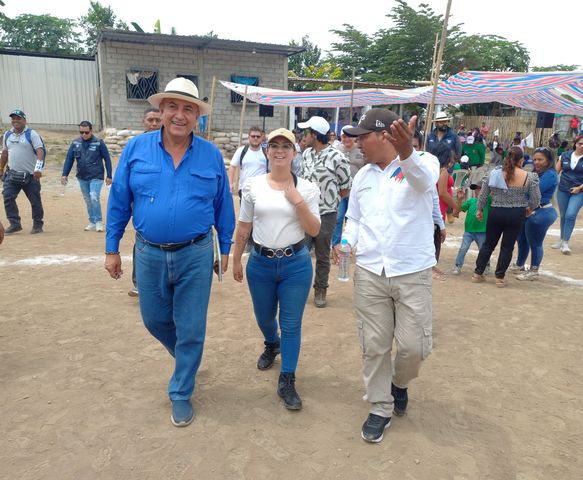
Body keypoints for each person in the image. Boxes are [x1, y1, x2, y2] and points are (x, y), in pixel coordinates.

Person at [104, 77, 235, 427]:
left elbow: (223, 205)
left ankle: (180, 391)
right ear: (161, 110)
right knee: (154, 319)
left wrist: (225, 247)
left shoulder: (210, 155)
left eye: (188, 109)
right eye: (173, 107)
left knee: (191, 327)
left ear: (197, 117)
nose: (180, 115)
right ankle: (187, 358)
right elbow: (119, 200)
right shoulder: (136, 149)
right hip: (148, 253)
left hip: (196, 253)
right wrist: (111, 248)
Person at [339, 109, 439, 443]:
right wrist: (346, 241)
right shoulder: (363, 176)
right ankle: (380, 406)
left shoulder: (423, 162)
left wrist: (407, 151)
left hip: (412, 271)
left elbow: (424, 183)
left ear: (385, 136)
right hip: (370, 272)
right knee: (374, 345)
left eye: (363, 137)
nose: (357, 144)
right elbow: (354, 218)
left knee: (414, 347)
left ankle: (399, 383)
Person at [232, 128, 320, 411]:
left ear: (294, 153)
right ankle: (272, 343)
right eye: (274, 146)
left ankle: (287, 378)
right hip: (260, 263)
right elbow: (244, 225)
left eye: (286, 146)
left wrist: (298, 202)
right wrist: (236, 258)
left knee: (291, 323)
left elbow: (314, 229)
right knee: (264, 317)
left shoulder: (307, 188)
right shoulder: (253, 186)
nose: (280, 151)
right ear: (267, 151)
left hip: (296, 265)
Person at [298, 116, 351, 308]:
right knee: (300, 254)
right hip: (305, 213)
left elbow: (345, 187)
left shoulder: (338, 157)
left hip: (327, 214)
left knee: (322, 255)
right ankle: (299, 289)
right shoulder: (306, 154)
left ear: (315, 134)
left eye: (306, 132)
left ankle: (320, 290)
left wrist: (331, 201)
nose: (303, 136)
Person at [472, 147, 541, 287]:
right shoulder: (529, 176)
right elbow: (536, 199)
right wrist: (529, 209)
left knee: (488, 244)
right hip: (516, 213)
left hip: (496, 212)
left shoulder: (494, 173)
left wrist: (479, 209)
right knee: (507, 246)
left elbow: (483, 194)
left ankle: (478, 274)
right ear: (521, 160)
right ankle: (499, 277)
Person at [128, 108, 163, 297]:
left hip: (165, 201)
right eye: (150, 120)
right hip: (143, 203)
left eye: (158, 120)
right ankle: (139, 283)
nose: (154, 123)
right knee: (143, 240)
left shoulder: (173, 145)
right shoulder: (136, 146)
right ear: (144, 122)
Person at [513, 147, 558, 280]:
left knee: (535, 242)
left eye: (540, 159)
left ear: (548, 160)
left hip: (541, 211)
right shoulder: (536, 173)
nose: (536, 162)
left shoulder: (550, 174)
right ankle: (520, 264)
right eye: (535, 159)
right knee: (522, 239)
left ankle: (533, 271)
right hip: (528, 210)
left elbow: (534, 191)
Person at [61, 121, 113, 232]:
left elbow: (107, 159)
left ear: (91, 131)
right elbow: (69, 159)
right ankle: (92, 221)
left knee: (94, 197)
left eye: (86, 132)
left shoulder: (98, 143)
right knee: (88, 200)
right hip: (82, 176)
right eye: (81, 132)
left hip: (96, 176)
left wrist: (109, 175)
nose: (84, 134)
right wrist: (65, 174)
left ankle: (98, 221)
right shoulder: (75, 143)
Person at [1, 110, 45, 235]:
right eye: (13, 118)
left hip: (31, 176)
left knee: (35, 201)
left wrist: (38, 168)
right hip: (12, 174)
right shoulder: (8, 134)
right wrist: (1, 168)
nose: (15, 121)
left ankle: (37, 224)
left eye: (18, 118)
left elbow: (40, 151)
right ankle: (15, 224)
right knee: (8, 197)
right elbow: (5, 152)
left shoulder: (32, 134)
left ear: (24, 120)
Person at [331, 126, 365, 247]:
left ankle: (350, 245)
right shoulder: (336, 150)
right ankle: (335, 245)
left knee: (353, 220)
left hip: (356, 193)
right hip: (340, 192)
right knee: (338, 218)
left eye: (349, 136)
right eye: (344, 136)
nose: (347, 139)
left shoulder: (361, 150)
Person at [452, 179, 491, 275]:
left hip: (482, 231)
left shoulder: (488, 201)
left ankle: (486, 265)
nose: (477, 191)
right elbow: (455, 213)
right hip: (469, 231)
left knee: (483, 250)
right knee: (463, 248)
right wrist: (460, 199)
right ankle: (458, 266)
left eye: (480, 189)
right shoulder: (471, 201)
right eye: (476, 189)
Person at [553, 135, 583, 254]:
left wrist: (579, 188)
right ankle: (561, 239)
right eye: (580, 143)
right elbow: (556, 171)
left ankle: (565, 243)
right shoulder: (564, 155)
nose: (582, 146)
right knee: (563, 215)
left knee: (570, 215)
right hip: (563, 189)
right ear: (575, 144)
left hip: (579, 191)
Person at [228, 126, 268, 200]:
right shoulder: (241, 151)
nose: (255, 138)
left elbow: (272, 169)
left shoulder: (266, 152)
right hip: (244, 189)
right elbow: (232, 166)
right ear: (248, 137)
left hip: (261, 190)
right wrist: (230, 183)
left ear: (262, 138)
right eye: (253, 136)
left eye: (258, 136)